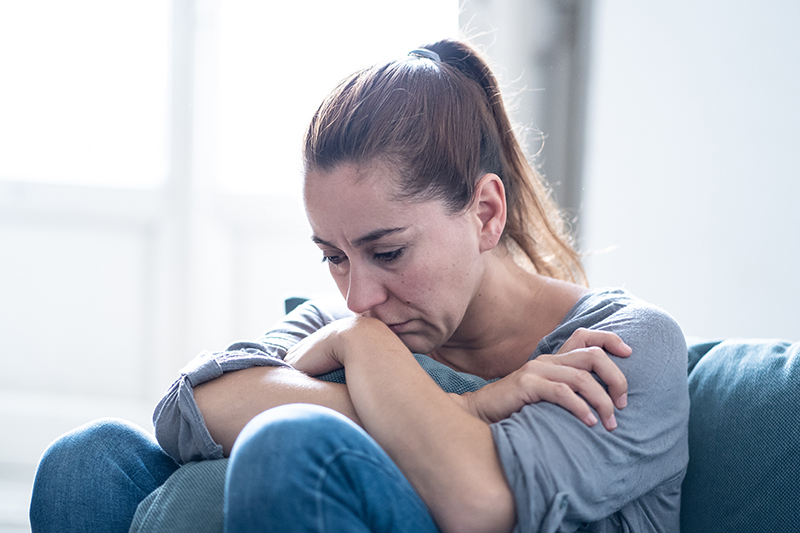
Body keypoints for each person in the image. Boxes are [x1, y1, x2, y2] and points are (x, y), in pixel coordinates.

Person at [30, 39, 689, 533]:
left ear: (486, 213)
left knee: (289, 447)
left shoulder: (626, 346)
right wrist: (471, 405)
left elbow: (478, 498)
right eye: (334, 257)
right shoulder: (354, 320)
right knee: (86, 461)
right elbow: (187, 409)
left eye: (389, 251)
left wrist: (363, 353)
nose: (358, 298)